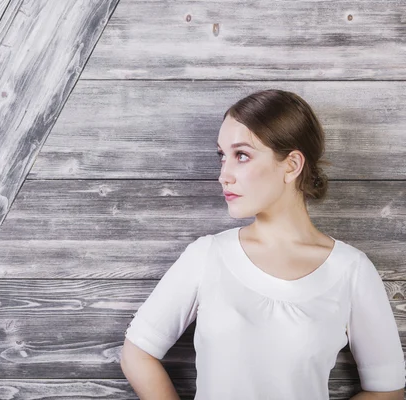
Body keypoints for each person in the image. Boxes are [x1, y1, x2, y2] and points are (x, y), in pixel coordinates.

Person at [119, 89, 406, 400]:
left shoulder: (351, 270)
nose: (223, 175)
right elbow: (136, 353)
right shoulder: (208, 256)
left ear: (292, 165)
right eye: (222, 156)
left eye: (241, 155)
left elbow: (388, 391)